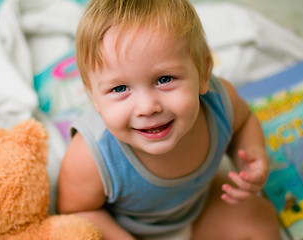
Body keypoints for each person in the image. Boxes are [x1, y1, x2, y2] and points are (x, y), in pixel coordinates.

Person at [57, 0, 280, 239]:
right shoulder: (91, 155)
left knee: (259, 220)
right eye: (120, 88)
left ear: (203, 72)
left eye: (164, 79)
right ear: (94, 98)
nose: (147, 107)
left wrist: (251, 154)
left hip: (201, 205)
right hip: (126, 230)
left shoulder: (221, 103)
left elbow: (244, 123)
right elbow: (77, 211)